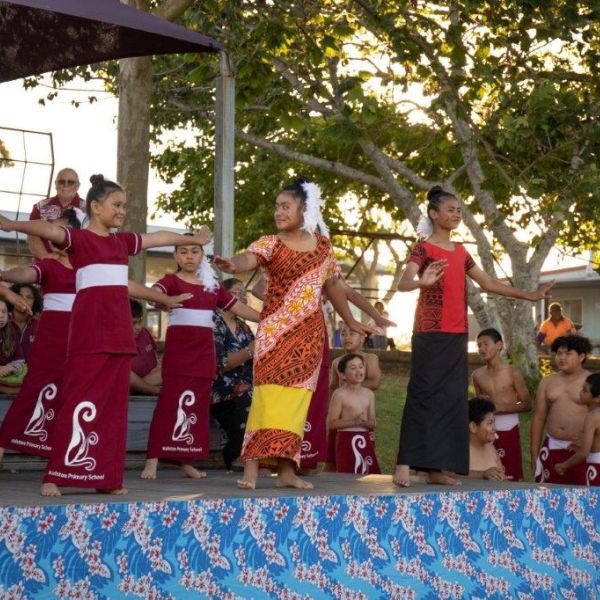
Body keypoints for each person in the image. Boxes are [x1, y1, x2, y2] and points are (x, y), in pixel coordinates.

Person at [0, 174, 210, 496]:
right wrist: (13, 226)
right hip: (88, 334)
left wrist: (189, 237)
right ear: (95, 207)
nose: (122, 211)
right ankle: (55, 474)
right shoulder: (80, 240)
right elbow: (48, 229)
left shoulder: (122, 243)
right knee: (76, 399)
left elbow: (157, 239)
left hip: (119, 336)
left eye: (125, 205)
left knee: (114, 408)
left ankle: (106, 478)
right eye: (117, 205)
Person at [214, 177, 374, 490]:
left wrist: (352, 322)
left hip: (310, 335)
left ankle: (287, 470)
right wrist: (233, 265)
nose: (279, 212)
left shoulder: (323, 249)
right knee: (267, 398)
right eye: (277, 206)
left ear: (305, 209)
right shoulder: (270, 243)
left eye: (285, 206)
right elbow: (249, 258)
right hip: (275, 335)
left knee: (296, 404)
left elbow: (333, 288)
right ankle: (251, 467)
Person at [393, 185, 553, 487]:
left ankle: (436, 468)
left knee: (453, 399)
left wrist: (529, 295)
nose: (457, 214)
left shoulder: (462, 251)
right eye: (451, 209)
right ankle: (404, 462)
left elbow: (489, 283)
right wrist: (421, 282)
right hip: (429, 332)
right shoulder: (423, 248)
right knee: (422, 395)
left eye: (459, 210)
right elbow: (403, 283)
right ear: (434, 213)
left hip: (456, 335)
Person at [141, 239, 260, 480]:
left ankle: (187, 461)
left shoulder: (212, 285)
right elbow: (154, 294)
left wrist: (271, 318)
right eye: (183, 251)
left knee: (197, 406)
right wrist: (165, 300)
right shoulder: (170, 280)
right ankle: (152, 460)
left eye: (195, 251)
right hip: (179, 353)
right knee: (169, 403)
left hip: (204, 354)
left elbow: (238, 307)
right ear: (175, 256)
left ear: (201, 255)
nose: (189, 256)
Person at [531, 335, 592, 485]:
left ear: (582, 356)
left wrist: (585, 439)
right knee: (549, 495)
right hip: (552, 444)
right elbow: (538, 418)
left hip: (581, 449)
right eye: (559, 353)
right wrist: (534, 454)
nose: (562, 358)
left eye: (568, 353)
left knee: (583, 498)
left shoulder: (593, 382)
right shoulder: (547, 382)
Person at [472, 328, 530, 481]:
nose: (482, 349)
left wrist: (500, 408)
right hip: (486, 430)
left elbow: (527, 405)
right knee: (488, 472)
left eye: (486, 344)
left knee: (511, 474)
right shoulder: (477, 375)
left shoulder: (512, 372)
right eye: (479, 346)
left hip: (509, 427)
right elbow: (479, 407)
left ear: (499, 345)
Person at [210, 278, 255, 472]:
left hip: (247, 385)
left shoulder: (244, 327)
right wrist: (250, 351)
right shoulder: (213, 322)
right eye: (237, 292)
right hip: (220, 388)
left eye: (245, 293)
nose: (243, 296)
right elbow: (220, 364)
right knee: (244, 399)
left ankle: (261, 458)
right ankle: (238, 456)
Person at [324, 322, 382, 472]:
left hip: (359, 412)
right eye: (343, 334)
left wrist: (352, 387)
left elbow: (375, 381)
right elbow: (332, 387)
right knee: (332, 458)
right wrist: (327, 410)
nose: (347, 337)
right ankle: (327, 488)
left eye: (352, 333)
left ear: (363, 337)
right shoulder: (337, 362)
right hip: (339, 414)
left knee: (364, 456)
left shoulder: (370, 358)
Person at [28, 167, 85, 259]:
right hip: (45, 265)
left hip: (76, 267)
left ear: (77, 186)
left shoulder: (88, 210)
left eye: (70, 182)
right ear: (55, 184)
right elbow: (32, 235)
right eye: (61, 182)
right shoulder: (40, 206)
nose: (65, 185)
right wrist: (45, 257)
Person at [554, 373, 600, 486]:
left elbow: (584, 453)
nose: (580, 392)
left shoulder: (593, 417)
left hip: (596, 469)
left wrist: (563, 465)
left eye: (585, 390)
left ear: (597, 398)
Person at [466, 397, 505, 481]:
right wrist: (482, 474)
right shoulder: (459, 449)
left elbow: (502, 479)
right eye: (490, 423)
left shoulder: (492, 449)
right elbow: (449, 475)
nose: (495, 428)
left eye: (494, 422)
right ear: (473, 427)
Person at [130, 299, 161, 396]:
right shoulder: (115, 341)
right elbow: (125, 376)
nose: (138, 327)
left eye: (140, 321)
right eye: (133, 323)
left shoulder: (144, 334)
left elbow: (156, 362)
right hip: (128, 391)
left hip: (150, 382)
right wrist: (155, 390)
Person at [9, 282, 42, 361]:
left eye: (29, 297)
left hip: (33, 372)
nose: (23, 300)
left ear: (35, 302)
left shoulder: (40, 326)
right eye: (19, 296)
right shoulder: (2, 322)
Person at [0, 299, 26, 392]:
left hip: (8, 373)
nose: (1, 316)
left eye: (4, 312)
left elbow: (20, 360)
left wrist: (12, 368)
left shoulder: (11, 333)